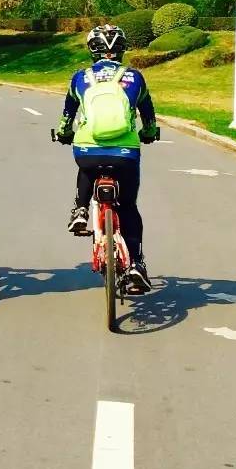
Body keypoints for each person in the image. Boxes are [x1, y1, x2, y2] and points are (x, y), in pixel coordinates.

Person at [55, 24, 160, 293]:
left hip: (88, 149)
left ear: (92, 50)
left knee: (86, 167)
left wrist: (64, 133)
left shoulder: (80, 77)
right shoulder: (135, 78)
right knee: (128, 207)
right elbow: (148, 115)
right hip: (126, 152)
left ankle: (80, 209)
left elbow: (67, 115)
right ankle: (136, 264)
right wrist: (148, 133)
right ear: (122, 49)